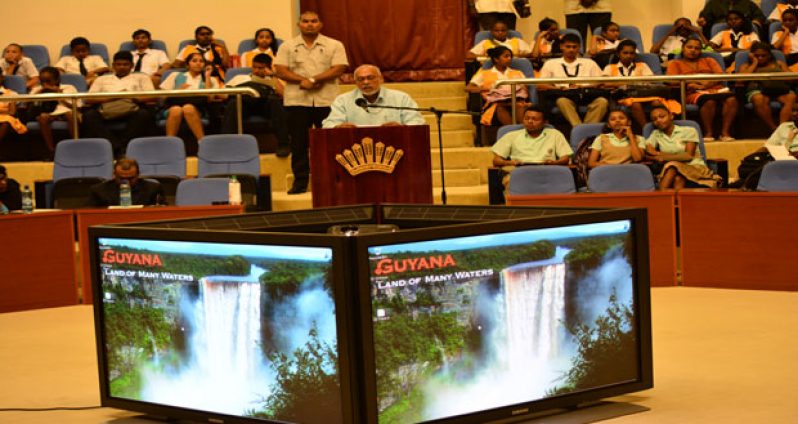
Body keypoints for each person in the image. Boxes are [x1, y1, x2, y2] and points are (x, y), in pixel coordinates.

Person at [274, 11, 348, 194]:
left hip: (327, 101)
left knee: (330, 144)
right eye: (305, 21)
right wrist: (303, 81)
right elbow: (280, 71)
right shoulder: (287, 46)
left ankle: (332, 182)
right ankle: (300, 183)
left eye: (314, 21)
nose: (309, 24)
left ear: (320, 24)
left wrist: (313, 80)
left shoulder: (334, 44)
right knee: (299, 145)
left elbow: (339, 68)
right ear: (299, 24)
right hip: (297, 101)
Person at [81, 51, 157, 156]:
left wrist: (132, 97)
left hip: (132, 109)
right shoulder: (101, 79)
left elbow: (152, 97)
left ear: (132, 66)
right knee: (89, 116)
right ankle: (117, 147)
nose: (122, 67)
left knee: (144, 114)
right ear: (113, 66)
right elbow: (88, 99)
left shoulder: (142, 77)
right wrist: (112, 98)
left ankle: (120, 146)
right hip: (106, 110)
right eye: (119, 64)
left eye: (125, 65)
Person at [666, 38, 738, 141]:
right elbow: (671, 81)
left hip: (716, 89)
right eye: (689, 47)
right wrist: (693, 83)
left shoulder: (709, 60)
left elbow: (720, 76)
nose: (693, 50)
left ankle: (725, 133)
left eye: (697, 48)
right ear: (683, 48)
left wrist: (706, 85)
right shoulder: (675, 64)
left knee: (732, 99)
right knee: (709, 100)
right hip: (693, 92)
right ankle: (708, 133)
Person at [223, 53, 291, 157]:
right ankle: (228, 145)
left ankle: (283, 144)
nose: (256, 71)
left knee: (275, 102)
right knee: (233, 103)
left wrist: (271, 76)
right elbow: (224, 94)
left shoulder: (273, 80)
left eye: (261, 68)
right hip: (245, 104)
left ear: (268, 68)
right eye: (254, 67)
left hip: (265, 105)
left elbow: (285, 96)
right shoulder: (240, 77)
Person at [602, 39, 678, 130]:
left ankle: (664, 127)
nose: (629, 56)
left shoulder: (642, 65)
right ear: (618, 54)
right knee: (636, 104)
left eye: (631, 53)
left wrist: (624, 83)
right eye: (625, 53)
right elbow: (606, 84)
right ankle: (646, 129)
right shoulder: (610, 67)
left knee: (656, 102)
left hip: (643, 93)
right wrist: (629, 83)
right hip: (623, 96)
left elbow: (650, 81)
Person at [538, 33, 609, 127]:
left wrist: (585, 87)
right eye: (568, 46)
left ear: (579, 47)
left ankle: (584, 130)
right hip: (564, 95)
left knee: (602, 101)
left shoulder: (589, 63)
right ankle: (579, 129)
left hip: (587, 95)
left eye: (574, 47)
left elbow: (601, 81)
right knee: (562, 101)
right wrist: (558, 89)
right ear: (561, 46)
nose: (571, 49)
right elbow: (540, 85)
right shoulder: (551, 63)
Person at [323, 64, 425, 128]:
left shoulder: (401, 98)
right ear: (355, 83)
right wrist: (338, 127)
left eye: (370, 78)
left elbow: (417, 122)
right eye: (361, 79)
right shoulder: (343, 100)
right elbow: (328, 124)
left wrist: (401, 128)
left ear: (381, 79)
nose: (366, 82)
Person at [646, 105, 721, 189]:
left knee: (672, 166)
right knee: (677, 179)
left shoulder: (688, 130)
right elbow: (648, 150)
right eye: (654, 119)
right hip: (674, 172)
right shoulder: (656, 134)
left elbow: (688, 156)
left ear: (671, 115)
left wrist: (661, 156)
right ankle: (671, 201)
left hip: (695, 168)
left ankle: (658, 199)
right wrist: (657, 155)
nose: (658, 120)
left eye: (662, 116)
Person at [159, 52, 224, 141]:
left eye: (201, 61)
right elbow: (163, 97)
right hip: (173, 106)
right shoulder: (175, 75)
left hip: (199, 109)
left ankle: (202, 142)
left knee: (188, 108)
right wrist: (178, 91)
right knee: (176, 110)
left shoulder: (211, 79)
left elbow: (210, 98)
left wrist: (207, 76)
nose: (198, 63)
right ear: (188, 64)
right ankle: (170, 144)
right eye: (194, 61)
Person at [466, 46, 530, 127]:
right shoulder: (484, 73)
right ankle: (512, 132)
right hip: (496, 105)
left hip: (516, 102)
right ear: (496, 59)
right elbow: (468, 88)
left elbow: (526, 88)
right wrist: (488, 88)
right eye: (506, 56)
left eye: (510, 56)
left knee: (520, 107)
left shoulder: (518, 73)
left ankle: (523, 132)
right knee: (500, 109)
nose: (509, 58)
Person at [738, 42, 796, 131]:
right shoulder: (746, 66)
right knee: (758, 99)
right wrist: (754, 63)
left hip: (779, 89)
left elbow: (791, 79)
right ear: (752, 55)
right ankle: (773, 128)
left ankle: (781, 128)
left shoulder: (779, 63)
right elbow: (740, 80)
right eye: (757, 56)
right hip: (758, 90)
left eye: (763, 55)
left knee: (791, 97)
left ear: (769, 55)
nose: (760, 58)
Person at [492, 105, 573, 167]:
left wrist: (555, 163)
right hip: (518, 172)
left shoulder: (555, 134)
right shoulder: (511, 136)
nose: (530, 121)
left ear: (545, 122)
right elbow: (496, 160)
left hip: (547, 171)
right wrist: (509, 163)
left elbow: (565, 158)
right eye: (527, 118)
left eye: (535, 119)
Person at [28, 67, 80, 154]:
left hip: (65, 111)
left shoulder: (68, 88)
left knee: (70, 115)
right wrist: (41, 92)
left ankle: (75, 146)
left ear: (56, 80)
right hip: (49, 113)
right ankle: (51, 150)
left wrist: (59, 95)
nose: (45, 84)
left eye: (48, 81)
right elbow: (29, 103)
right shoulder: (37, 89)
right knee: (42, 118)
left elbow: (76, 106)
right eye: (42, 81)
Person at [90, 158, 165, 207]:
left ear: (138, 174)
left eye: (130, 178)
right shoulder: (98, 190)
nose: (126, 181)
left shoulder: (153, 188)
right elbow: (87, 213)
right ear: (114, 175)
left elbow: (164, 209)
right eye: (121, 178)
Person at [698, 0, 766, 40]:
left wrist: (755, 22)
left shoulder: (748, 3)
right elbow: (705, 17)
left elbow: (759, 16)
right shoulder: (713, 3)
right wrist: (703, 20)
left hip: (744, 33)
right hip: (720, 32)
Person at [466, 20, 531, 61]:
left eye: (503, 30)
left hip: (514, 69)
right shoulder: (485, 42)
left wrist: (514, 56)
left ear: (507, 31)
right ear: (491, 32)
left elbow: (531, 54)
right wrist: (487, 57)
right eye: (496, 30)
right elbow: (469, 55)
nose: (500, 32)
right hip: (490, 70)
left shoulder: (517, 41)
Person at [0, 68, 27, 143]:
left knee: (5, 123)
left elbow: (12, 112)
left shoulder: (11, 94)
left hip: (5, 118)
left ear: (2, 78)